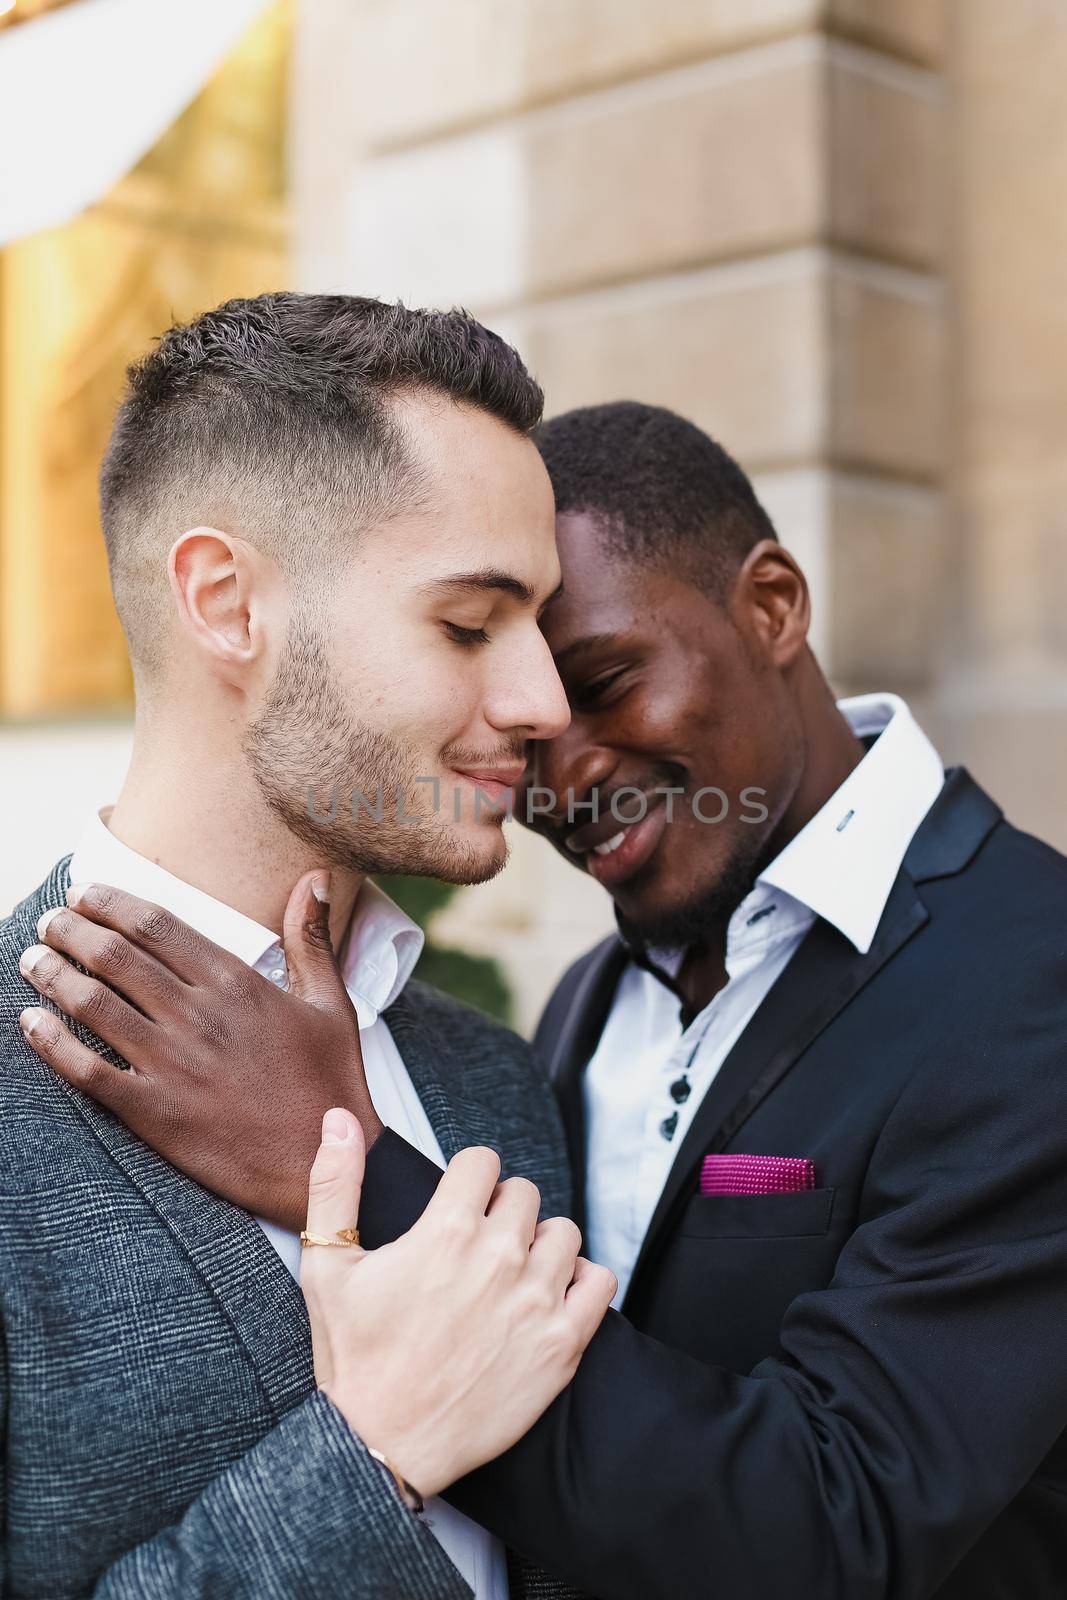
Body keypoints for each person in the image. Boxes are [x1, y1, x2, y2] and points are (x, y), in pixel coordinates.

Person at [20, 401, 1067, 1599]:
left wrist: (346, 1154)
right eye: (472, 641)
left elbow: (840, 1524)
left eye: (604, 681)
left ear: (771, 605)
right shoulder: (579, 1007)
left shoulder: (1033, 981)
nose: (552, 774)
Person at [0, 293, 618, 1599]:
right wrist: (368, 1456)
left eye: (541, 631)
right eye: (467, 624)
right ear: (226, 602)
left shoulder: (492, 1076)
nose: (541, 705)